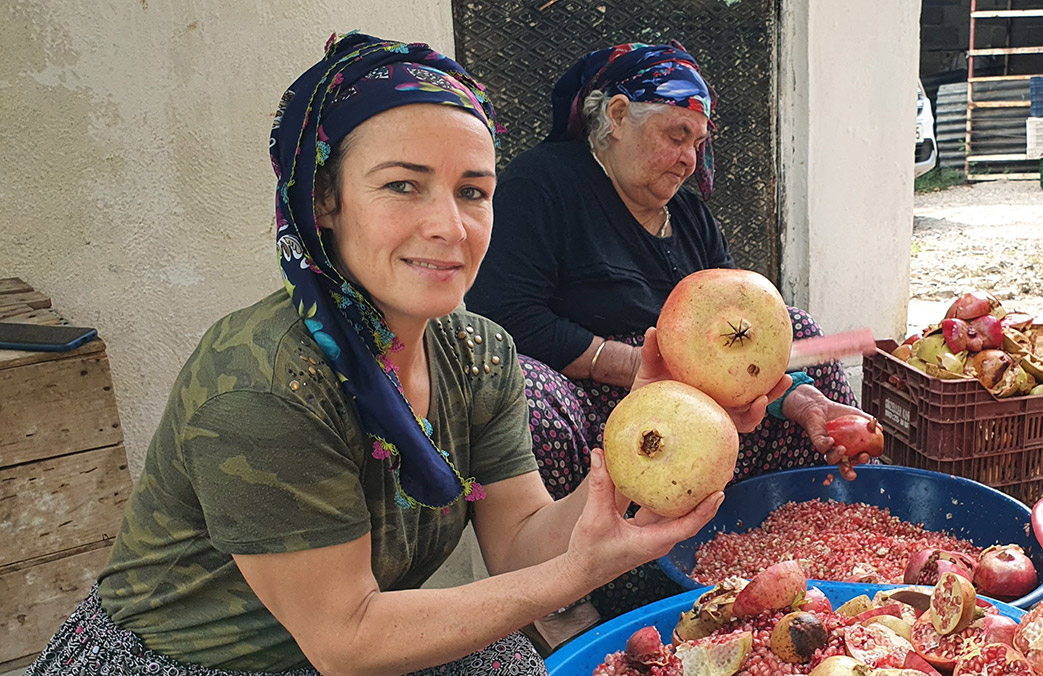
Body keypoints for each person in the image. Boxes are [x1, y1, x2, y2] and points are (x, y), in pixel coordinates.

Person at [25, 33, 761, 676]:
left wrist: (645, 438)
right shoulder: (264, 381)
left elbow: (518, 547)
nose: (449, 226)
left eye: (473, 192)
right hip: (192, 661)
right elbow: (344, 639)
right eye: (403, 185)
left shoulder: (478, 356)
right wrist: (576, 575)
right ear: (324, 201)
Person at [465, 41, 871, 619]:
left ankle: (802, 541)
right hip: (597, 410)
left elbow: (743, 331)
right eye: (677, 135)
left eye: (697, 144)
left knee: (799, 332)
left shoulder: (691, 216)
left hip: (696, 403)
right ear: (617, 115)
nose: (688, 159)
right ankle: (589, 585)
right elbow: (505, 316)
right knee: (526, 391)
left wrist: (796, 397)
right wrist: (644, 367)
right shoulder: (545, 185)